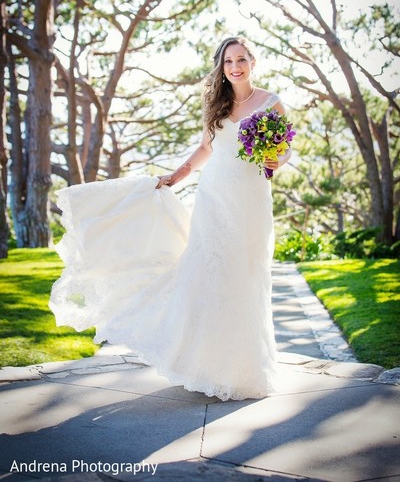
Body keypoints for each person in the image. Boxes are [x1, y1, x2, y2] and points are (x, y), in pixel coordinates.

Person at [49, 36, 292, 402]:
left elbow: (285, 148)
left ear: (252, 62)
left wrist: (277, 160)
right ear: (222, 66)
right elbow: (207, 148)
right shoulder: (217, 103)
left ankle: (246, 370)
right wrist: (177, 176)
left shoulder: (271, 103)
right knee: (209, 276)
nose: (235, 67)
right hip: (214, 197)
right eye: (228, 61)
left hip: (251, 198)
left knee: (247, 276)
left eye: (241, 59)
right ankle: (207, 366)